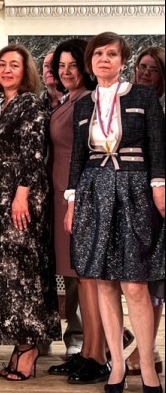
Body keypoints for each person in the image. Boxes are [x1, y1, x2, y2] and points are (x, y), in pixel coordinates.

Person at [66, 32, 165, 393]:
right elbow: (78, 156)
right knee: (103, 281)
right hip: (94, 190)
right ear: (90, 62)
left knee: (135, 283)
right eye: (98, 54)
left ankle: (148, 366)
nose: (104, 59)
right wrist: (72, 202)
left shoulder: (143, 97)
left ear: (123, 61)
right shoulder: (83, 104)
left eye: (111, 54)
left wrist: (159, 188)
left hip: (136, 190)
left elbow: (158, 146)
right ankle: (117, 366)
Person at [0, 45, 61, 382]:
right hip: (2, 193)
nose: (6, 70)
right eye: (2, 64)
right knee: (8, 273)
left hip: (23, 194)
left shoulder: (30, 102)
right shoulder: (0, 102)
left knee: (25, 271)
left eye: (14, 65)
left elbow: (34, 151)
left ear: (25, 70)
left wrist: (22, 194)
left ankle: (29, 346)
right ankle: (20, 343)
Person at [47, 38, 106, 383]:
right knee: (78, 277)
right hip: (61, 195)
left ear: (85, 67)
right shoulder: (68, 100)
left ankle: (98, 355)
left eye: (73, 65)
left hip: (78, 196)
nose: (67, 71)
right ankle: (86, 352)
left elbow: (88, 155)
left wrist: (77, 199)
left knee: (88, 278)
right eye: (62, 66)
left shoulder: (89, 100)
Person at [128, 44, 165, 377]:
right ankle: (146, 348)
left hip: (160, 196)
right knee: (145, 279)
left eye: (154, 69)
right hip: (137, 197)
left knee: (155, 281)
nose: (146, 73)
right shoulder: (128, 103)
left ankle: (146, 350)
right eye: (142, 66)